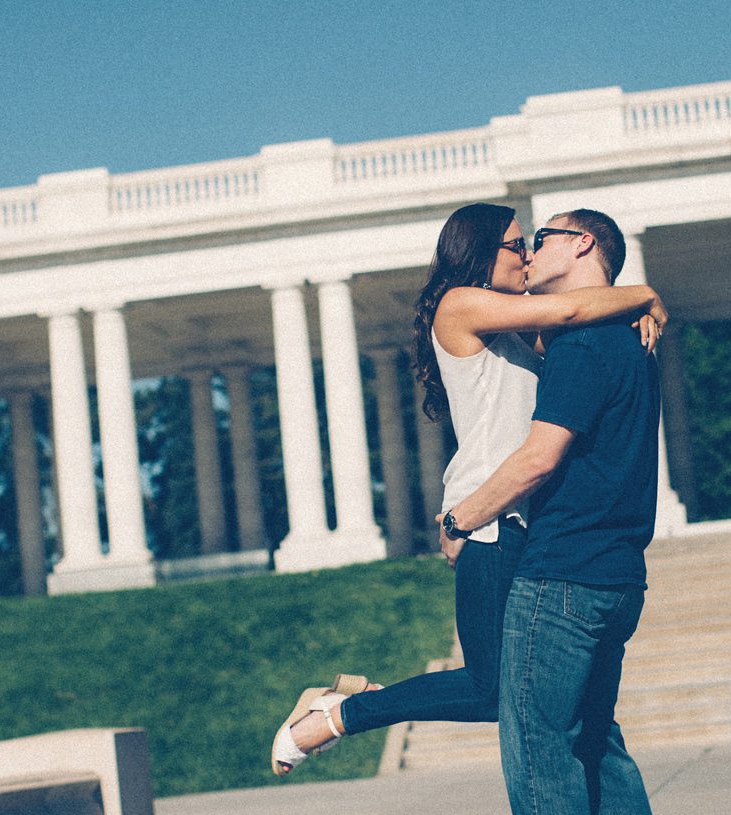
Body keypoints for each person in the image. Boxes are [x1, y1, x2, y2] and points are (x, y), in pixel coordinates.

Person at [270, 202, 666, 776]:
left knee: (529, 694)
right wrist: (647, 293)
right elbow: (577, 305)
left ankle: (350, 705)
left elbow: (578, 318)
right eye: (516, 244)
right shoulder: (461, 304)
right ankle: (337, 715)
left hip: (529, 520)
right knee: (491, 690)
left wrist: (634, 304)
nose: (527, 254)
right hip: (486, 516)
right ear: (480, 251)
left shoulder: (519, 324)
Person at [440, 209, 681, 815]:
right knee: (596, 741)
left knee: (536, 746)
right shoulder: (630, 340)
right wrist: (644, 297)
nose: (530, 247)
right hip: (619, 573)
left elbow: (539, 459)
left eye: (542, 236)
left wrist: (460, 516)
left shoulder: (581, 343)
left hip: (562, 571)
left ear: (581, 245)